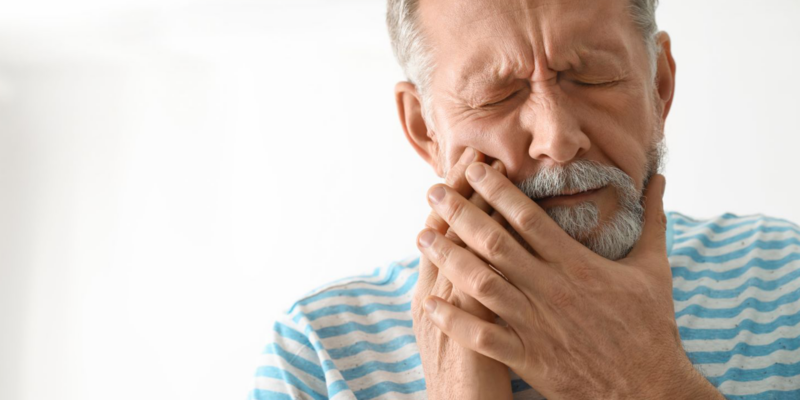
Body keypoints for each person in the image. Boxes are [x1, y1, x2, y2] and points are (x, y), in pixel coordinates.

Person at [250, 0, 800, 398]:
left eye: (594, 77)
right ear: (424, 129)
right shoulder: (320, 350)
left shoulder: (786, 275)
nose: (557, 139)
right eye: (497, 95)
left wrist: (647, 383)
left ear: (659, 88)